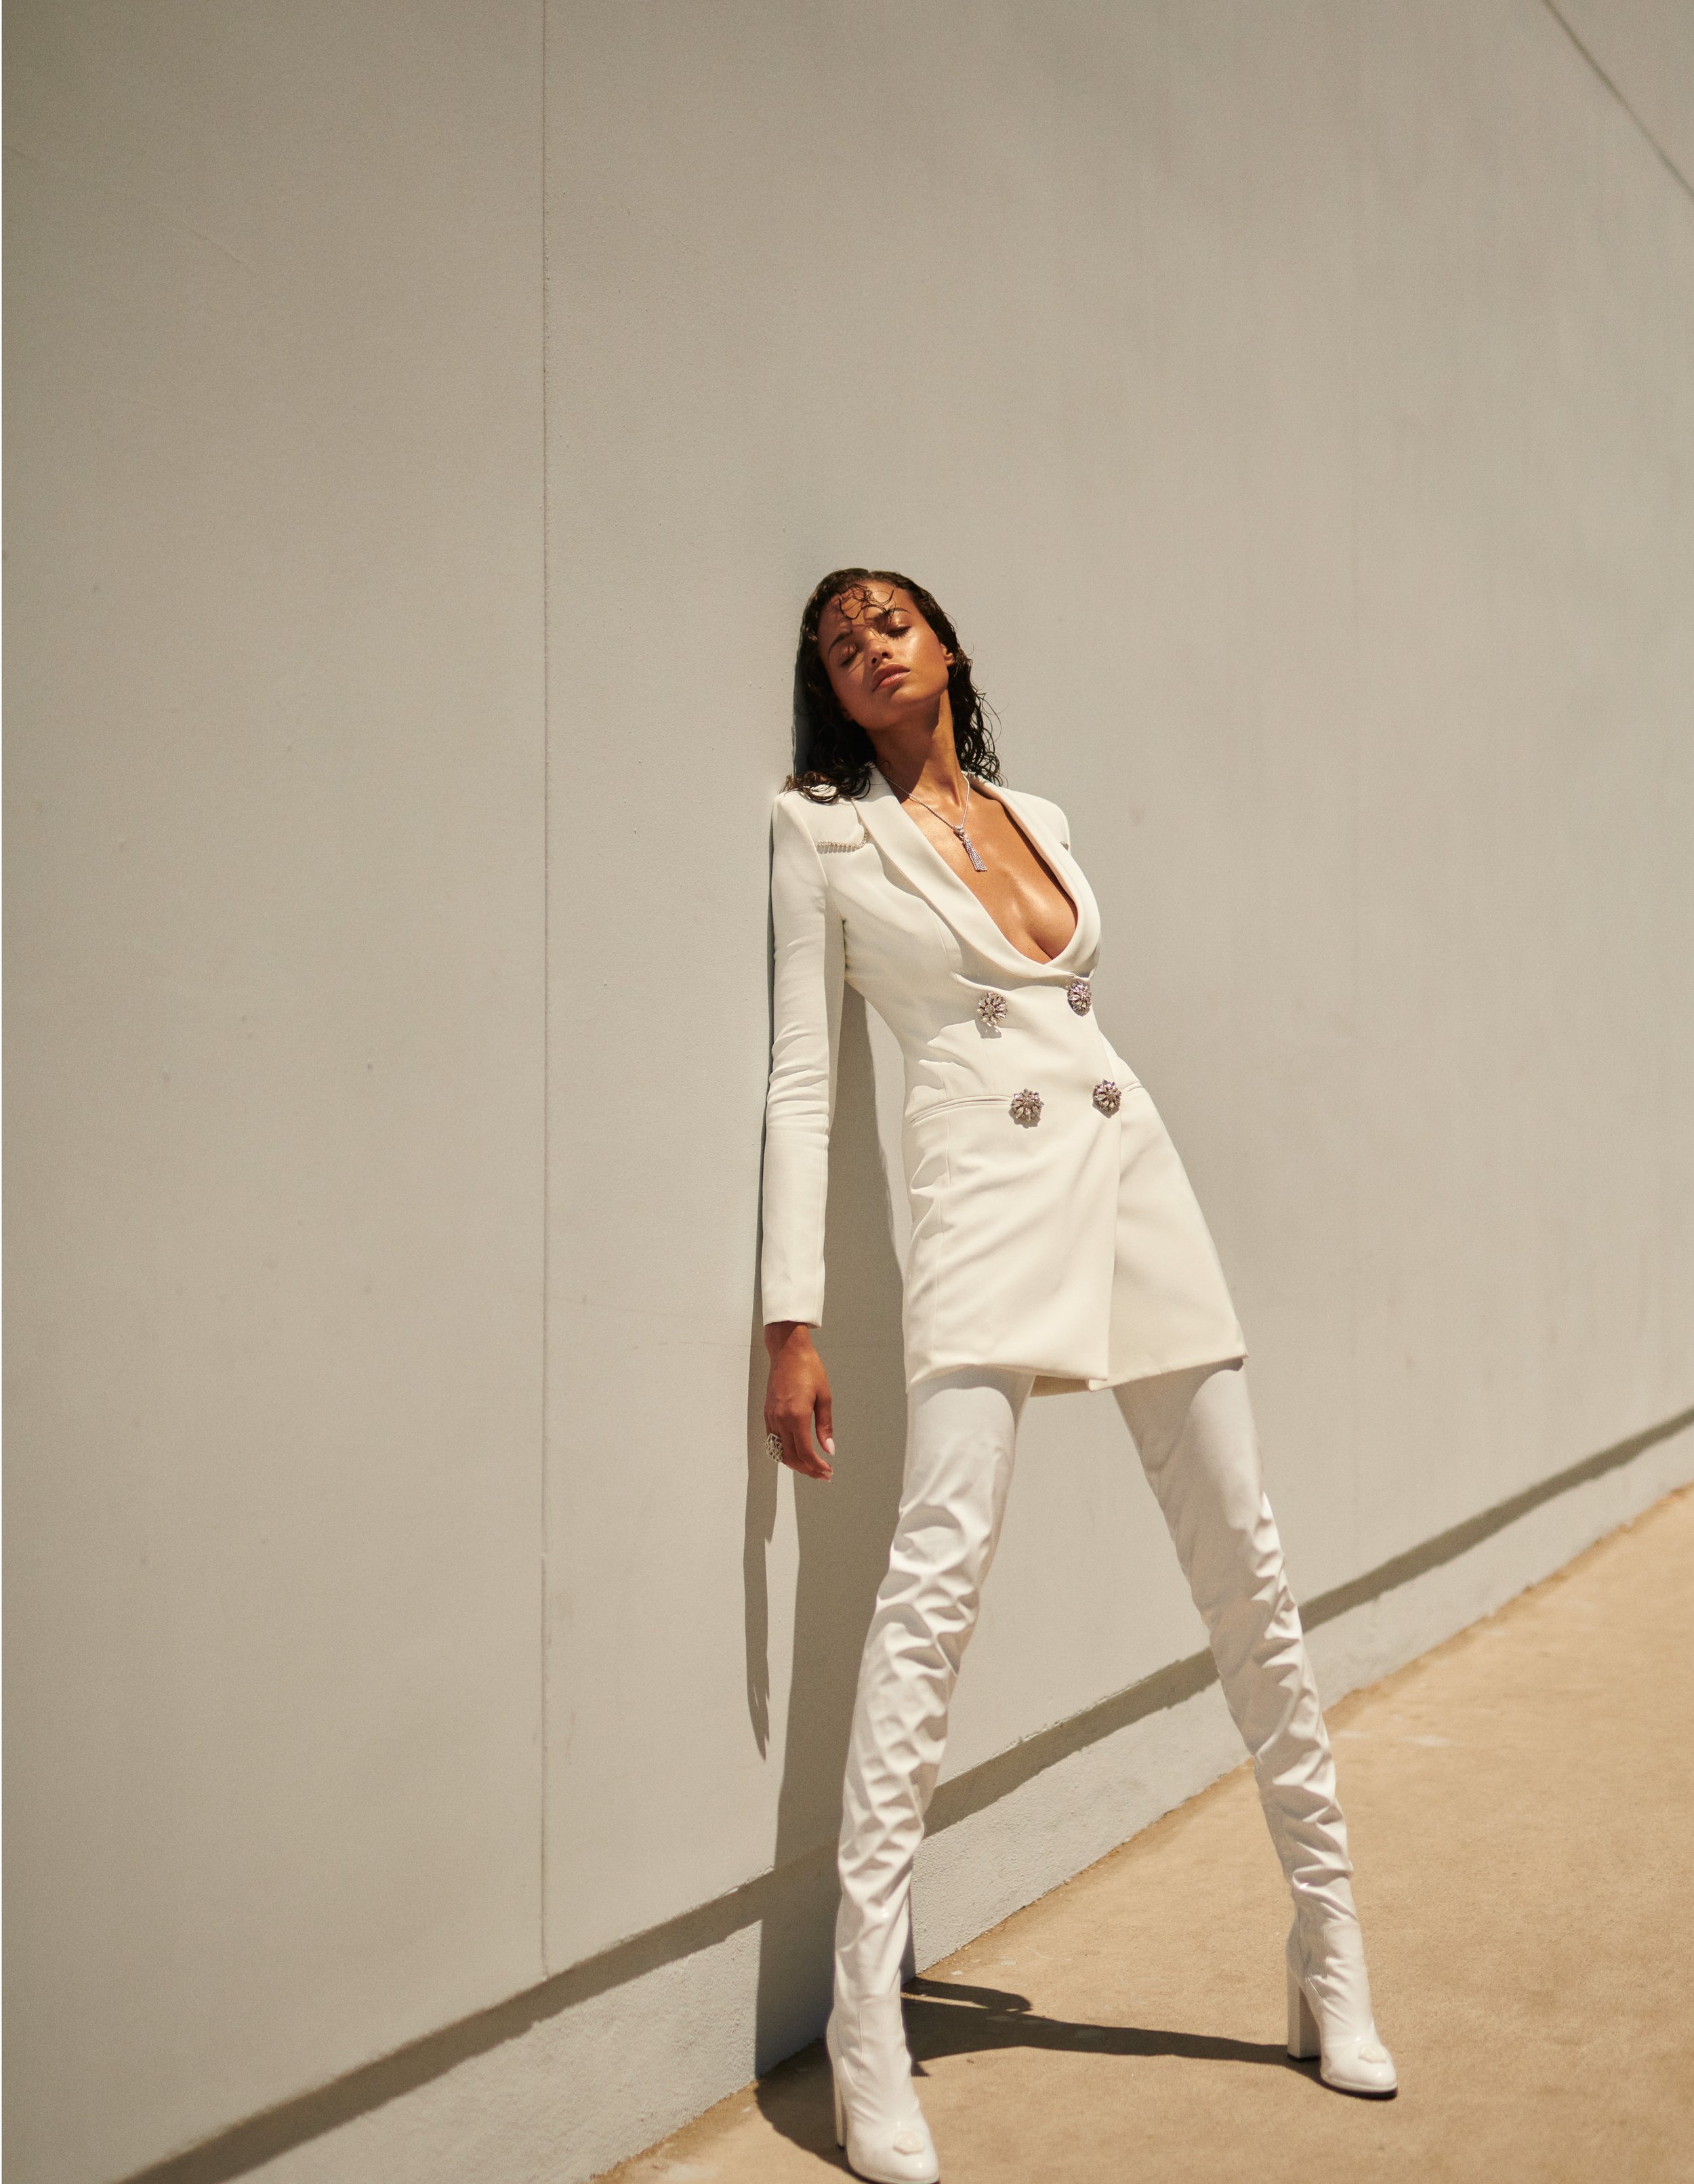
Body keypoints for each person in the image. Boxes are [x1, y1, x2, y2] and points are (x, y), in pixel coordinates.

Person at [760, 568, 1395, 2184]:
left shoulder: (1032, 812)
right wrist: (790, 1318)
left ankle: (1327, 1942)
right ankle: (863, 2017)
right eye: (836, 644)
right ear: (829, 690)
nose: (865, 648)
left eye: (887, 622)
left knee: (1246, 1565)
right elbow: (801, 1081)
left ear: (944, 645)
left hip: (1131, 1172)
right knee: (935, 1580)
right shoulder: (818, 834)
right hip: (982, 1193)